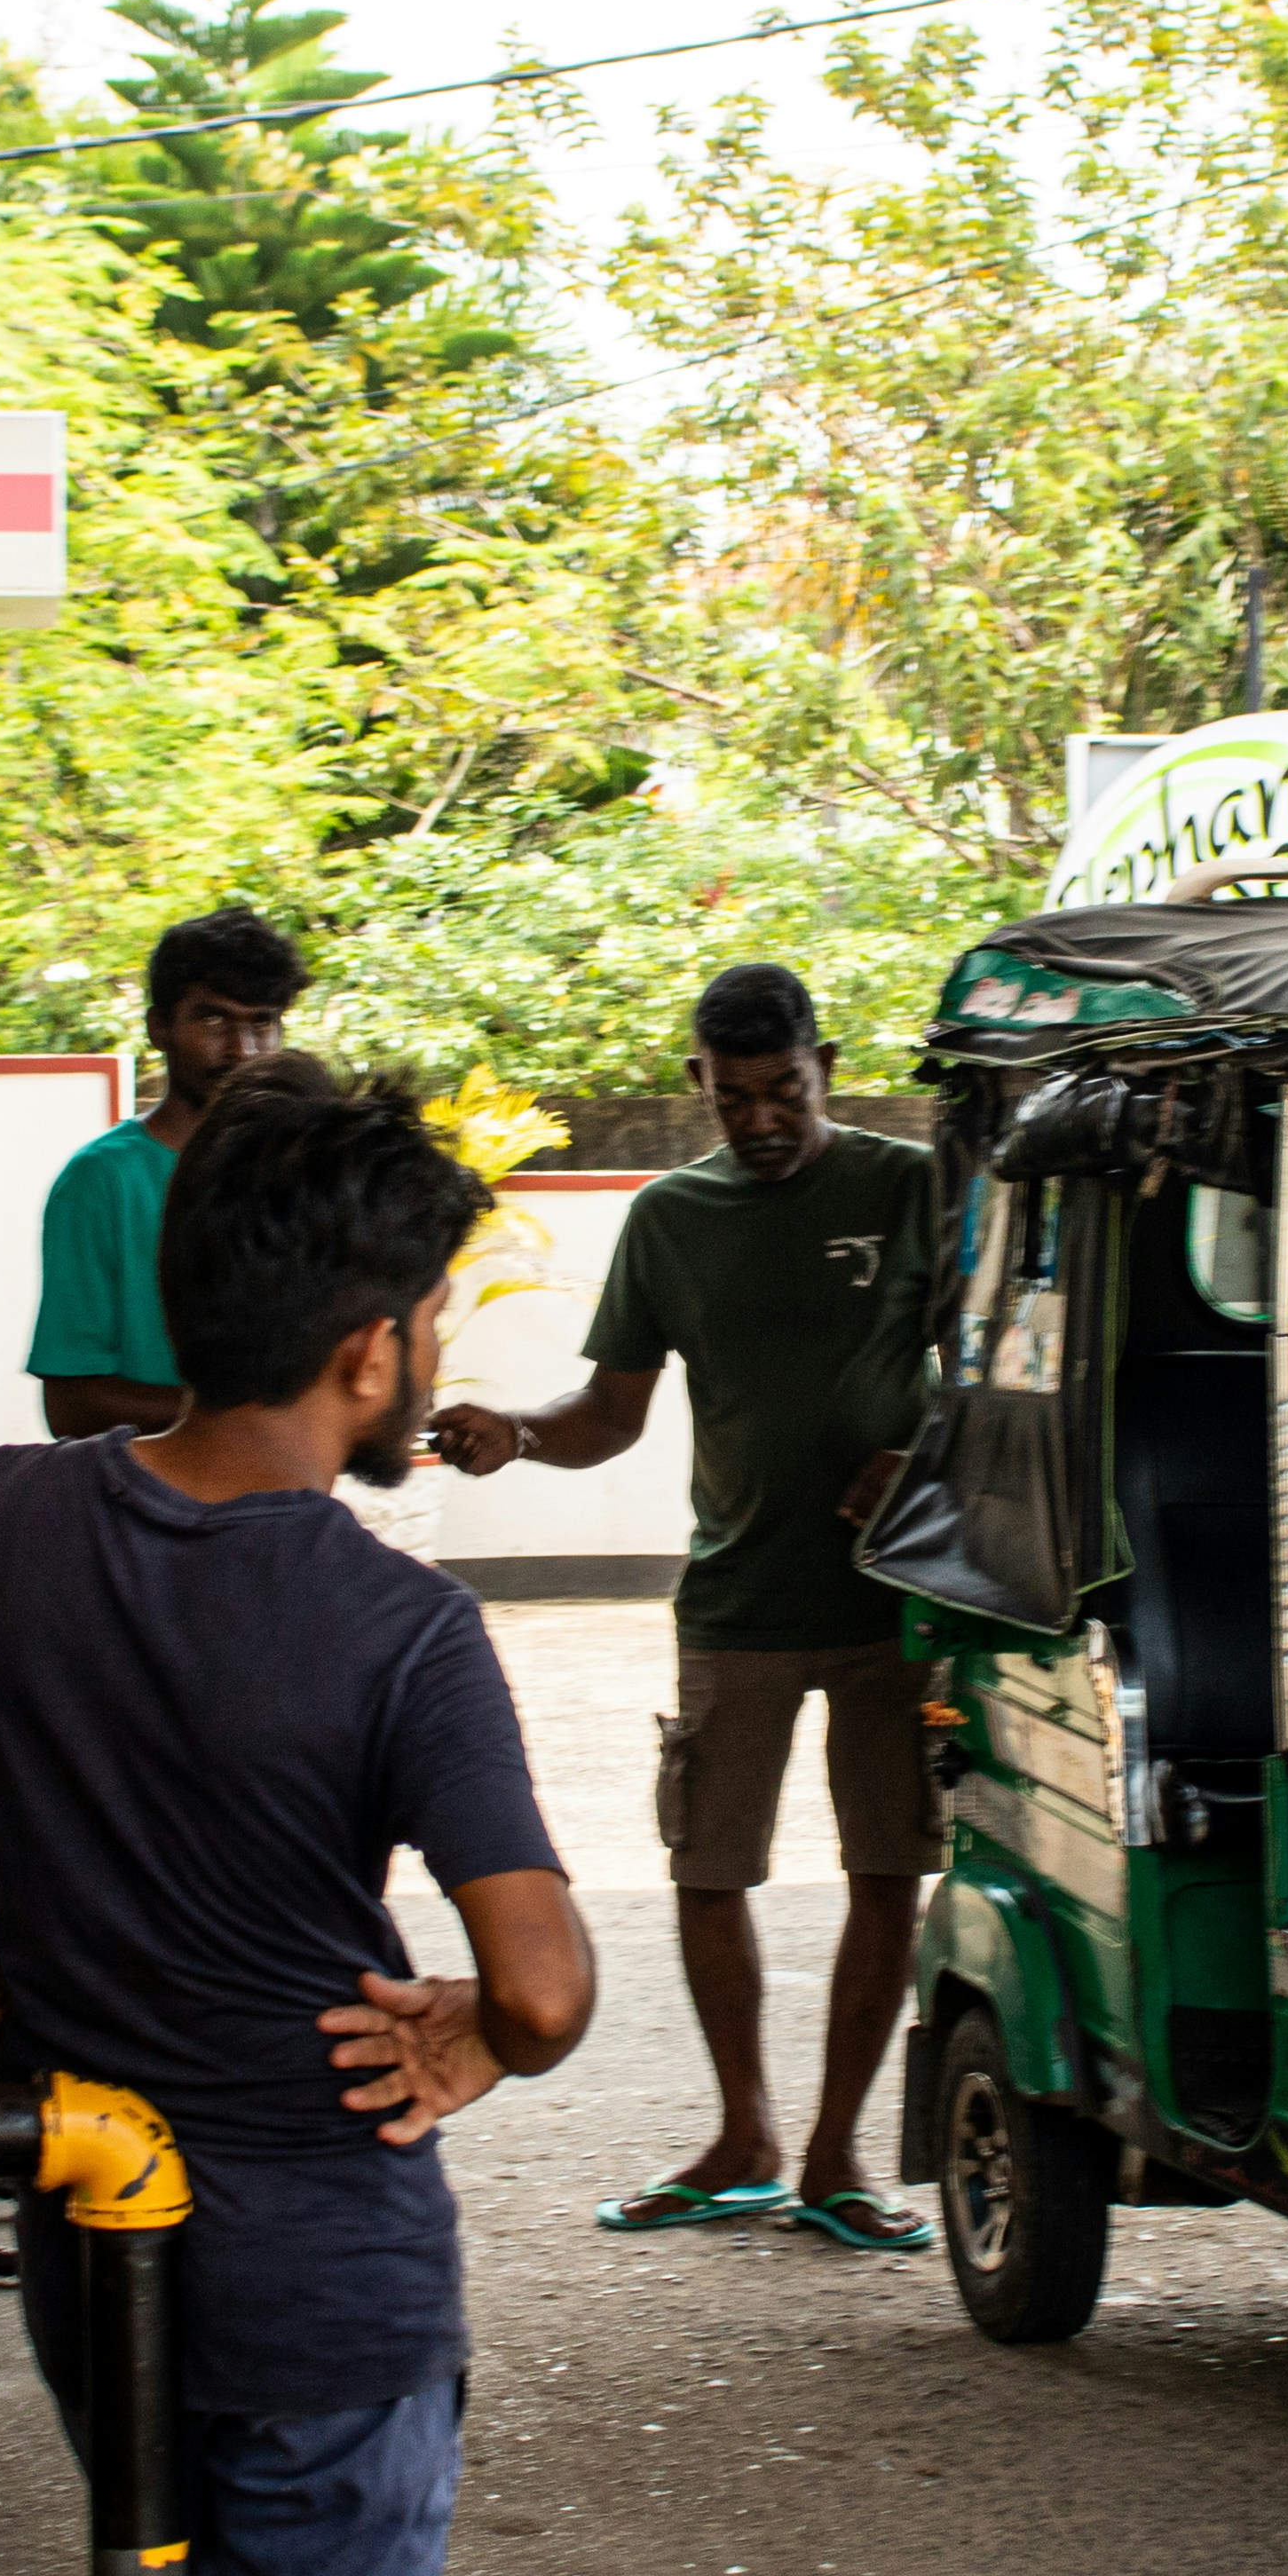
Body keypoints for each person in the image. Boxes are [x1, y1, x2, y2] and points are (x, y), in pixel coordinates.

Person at [0, 1058, 595, 2576]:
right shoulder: (399, 1628)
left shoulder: (2, 1522)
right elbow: (546, 1985)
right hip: (324, 2305)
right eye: (430, 1319)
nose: (432, 1356)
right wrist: (475, 2041)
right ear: (366, 1350)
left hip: (105, 2290)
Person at [426, 963, 940, 2255]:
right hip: (734, 1599)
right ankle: (743, 2137)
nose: (761, 1120)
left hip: (897, 1600)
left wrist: (927, 1459)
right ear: (695, 1081)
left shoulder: (908, 1186)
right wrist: (513, 1438)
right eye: (733, 1097)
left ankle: (835, 2157)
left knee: (888, 1870)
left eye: (786, 1092)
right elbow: (608, 1414)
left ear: (826, 1067)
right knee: (707, 1873)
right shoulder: (669, 1218)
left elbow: (1005, 1360)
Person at [31, 905, 309, 1436]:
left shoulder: (304, 1168)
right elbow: (72, 1405)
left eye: (262, 1023)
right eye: (212, 1019)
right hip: (143, 1507)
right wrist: (250, 1421)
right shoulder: (101, 1180)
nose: (241, 1050)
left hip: (285, 1495)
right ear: (161, 1028)